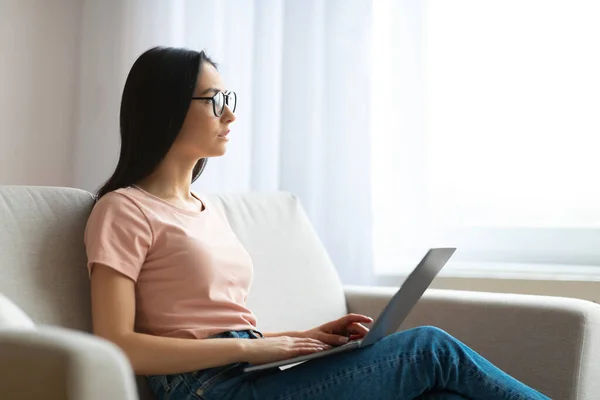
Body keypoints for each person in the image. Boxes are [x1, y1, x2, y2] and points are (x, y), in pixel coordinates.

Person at [84, 46, 549, 400]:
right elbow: (119, 344)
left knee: (441, 394)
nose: (230, 113)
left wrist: (305, 337)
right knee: (430, 348)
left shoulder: (208, 208)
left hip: (247, 372)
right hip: (210, 389)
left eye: (229, 97)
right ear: (166, 107)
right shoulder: (124, 209)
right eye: (214, 99)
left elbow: (219, 330)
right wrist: (251, 350)